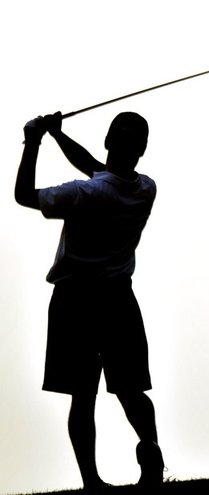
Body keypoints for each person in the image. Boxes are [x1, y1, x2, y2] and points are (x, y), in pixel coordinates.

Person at [15, 111, 165, 490]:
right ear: (142, 149)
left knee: (82, 396)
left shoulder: (82, 194)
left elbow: (23, 195)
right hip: (118, 300)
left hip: (75, 300)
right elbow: (97, 169)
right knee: (131, 389)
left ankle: (91, 482)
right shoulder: (146, 188)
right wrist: (58, 136)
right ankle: (150, 445)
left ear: (108, 141)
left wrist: (33, 140)